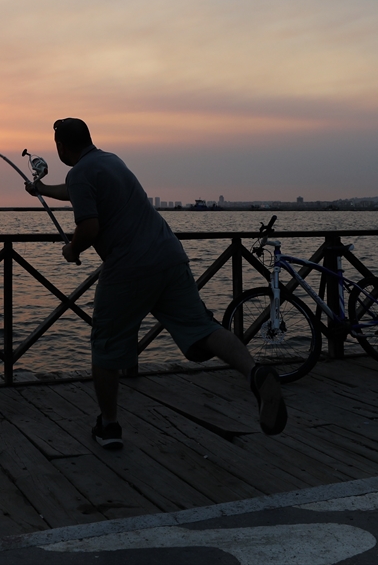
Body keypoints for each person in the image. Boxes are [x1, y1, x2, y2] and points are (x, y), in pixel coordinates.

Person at [26, 118, 286, 449]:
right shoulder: (110, 161)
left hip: (129, 267)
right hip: (169, 256)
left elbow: (89, 227)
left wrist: (72, 250)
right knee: (201, 328)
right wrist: (42, 190)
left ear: (61, 147)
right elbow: (74, 191)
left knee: (105, 345)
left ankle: (109, 426)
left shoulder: (79, 173)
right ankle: (255, 373)